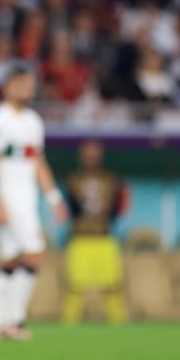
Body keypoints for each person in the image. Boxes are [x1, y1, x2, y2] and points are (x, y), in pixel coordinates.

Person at [0, 67, 68, 341]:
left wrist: (54, 197)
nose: (26, 90)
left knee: (10, 260)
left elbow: (39, 162)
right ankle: (14, 321)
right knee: (35, 253)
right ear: (8, 86)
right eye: (20, 84)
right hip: (9, 194)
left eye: (29, 84)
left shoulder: (33, 120)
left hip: (28, 194)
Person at [62, 139, 130, 325]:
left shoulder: (112, 179)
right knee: (75, 288)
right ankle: (67, 330)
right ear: (81, 156)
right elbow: (72, 208)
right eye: (87, 153)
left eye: (94, 153)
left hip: (104, 239)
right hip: (80, 239)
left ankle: (120, 329)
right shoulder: (72, 179)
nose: (91, 157)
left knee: (112, 287)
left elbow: (119, 208)